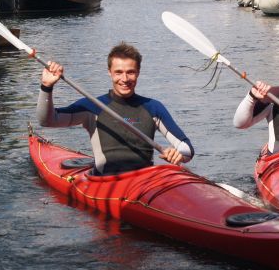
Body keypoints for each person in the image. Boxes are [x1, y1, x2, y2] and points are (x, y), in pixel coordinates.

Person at [37, 42, 194, 174]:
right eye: (118, 72)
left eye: (130, 72)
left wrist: (178, 154)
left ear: (138, 72)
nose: (124, 79)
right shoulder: (92, 106)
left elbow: (187, 148)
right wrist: (47, 87)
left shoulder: (153, 108)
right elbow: (48, 121)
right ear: (109, 73)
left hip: (144, 182)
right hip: (105, 183)